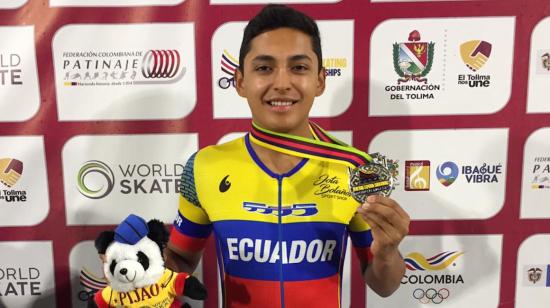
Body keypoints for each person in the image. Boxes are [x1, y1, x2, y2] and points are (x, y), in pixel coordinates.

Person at [165, 4, 410, 308]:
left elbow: (383, 286)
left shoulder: (357, 170)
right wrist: (140, 265)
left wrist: (388, 252)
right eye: (264, 68)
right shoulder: (205, 167)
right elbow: (180, 259)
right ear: (240, 81)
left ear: (320, 80)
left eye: (298, 67)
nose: (282, 83)